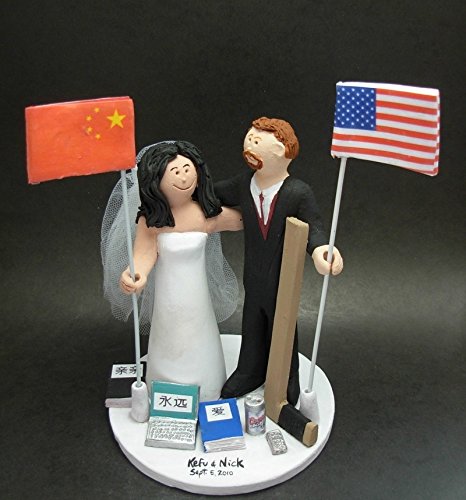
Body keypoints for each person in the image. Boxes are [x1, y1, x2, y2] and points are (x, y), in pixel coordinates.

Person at [215, 117, 343, 405]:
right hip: (252, 277)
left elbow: (314, 226)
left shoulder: (298, 192)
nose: (251, 143)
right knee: (252, 325)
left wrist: (321, 250)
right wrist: (182, 190)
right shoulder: (243, 184)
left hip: (282, 281)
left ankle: (286, 378)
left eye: (258, 141)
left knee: (282, 329)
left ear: (284, 151)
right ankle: (249, 371)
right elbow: (213, 193)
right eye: (250, 138)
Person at [107, 141, 242, 402]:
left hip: (197, 296)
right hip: (168, 297)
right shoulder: (152, 221)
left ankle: (208, 384)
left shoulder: (203, 214)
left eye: (187, 169)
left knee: (200, 333)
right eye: (175, 172)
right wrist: (135, 275)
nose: (183, 177)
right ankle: (167, 389)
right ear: (155, 182)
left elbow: (238, 220)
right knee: (169, 336)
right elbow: (143, 254)